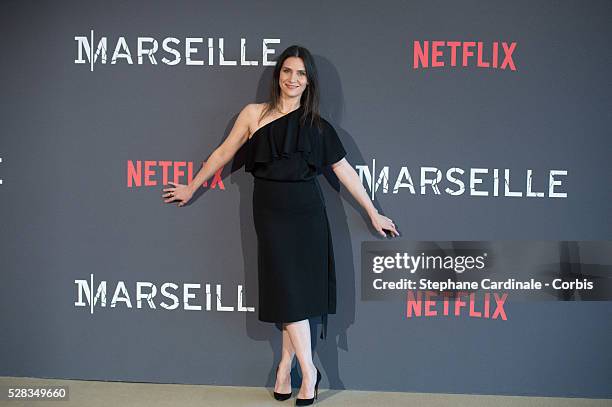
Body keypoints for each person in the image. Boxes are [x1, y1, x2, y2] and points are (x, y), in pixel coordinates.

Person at [162, 45, 399, 405]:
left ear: (309, 82)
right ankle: (310, 369)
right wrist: (192, 186)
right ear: (278, 75)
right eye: (287, 71)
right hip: (270, 213)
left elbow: (344, 171)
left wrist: (372, 212)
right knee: (287, 292)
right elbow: (224, 152)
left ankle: (288, 367)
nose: (293, 79)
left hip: (307, 214)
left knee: (296, 297)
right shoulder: (253, 114)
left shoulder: (317, 127)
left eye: (301, 74)